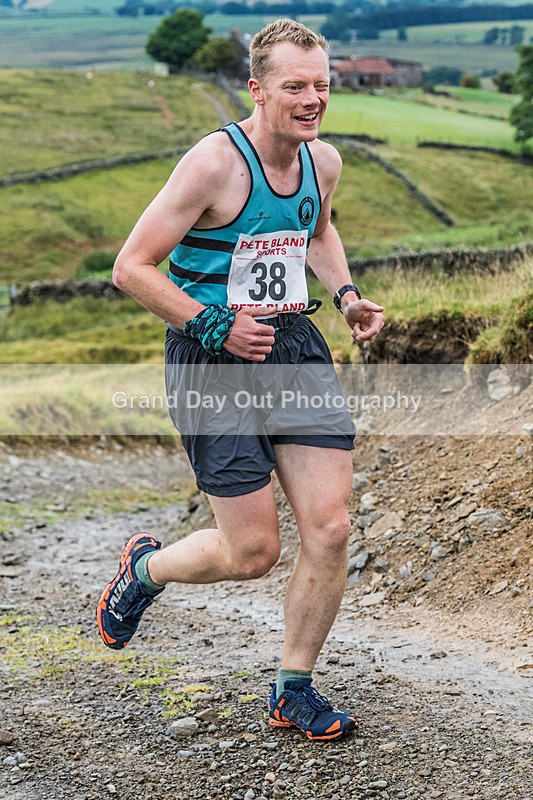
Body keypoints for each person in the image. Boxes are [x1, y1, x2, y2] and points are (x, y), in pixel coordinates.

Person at [97, 18, 384, 742]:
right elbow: (131, 267)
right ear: (257, 90)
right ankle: (145, 570)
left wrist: (346, 295)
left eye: (321, 84)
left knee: (330, 526)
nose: (313, 98)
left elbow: (315, 230)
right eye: (295, 86)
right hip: (212, 357)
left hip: (291, 346)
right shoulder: (212, 164)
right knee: (251, 553)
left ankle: (294, 688)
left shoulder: (323, 162)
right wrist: (213, 324)